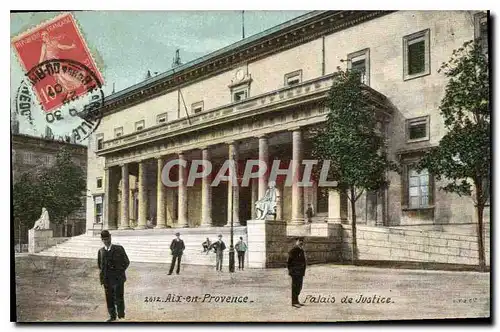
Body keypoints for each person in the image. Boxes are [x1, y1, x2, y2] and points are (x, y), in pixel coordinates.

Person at [97, 230, 130, 322]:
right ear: (102, 240)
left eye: (107, 238)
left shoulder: (119, 248)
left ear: (110, 237)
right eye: (104, 239)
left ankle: (121, 316)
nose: (106, 241)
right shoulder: (101, 251)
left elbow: (126, 262)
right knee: (109, 298)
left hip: (117, 278)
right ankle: (112, 316)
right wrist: (103, 278)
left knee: (119, 298)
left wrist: (119, 272)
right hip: (107, 279)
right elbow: (100, 265)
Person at [287, 237, 306, 308]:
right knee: (295, 287)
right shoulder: (293, 251)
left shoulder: (301, 250)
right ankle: (294, 302)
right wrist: (291, 271)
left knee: (299, 287)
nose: (301, 242)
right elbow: (289, 262)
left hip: (300, 273)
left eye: (302, 241)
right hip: (295, 273)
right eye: (299, 241)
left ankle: (297, 301)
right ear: (296, 242)